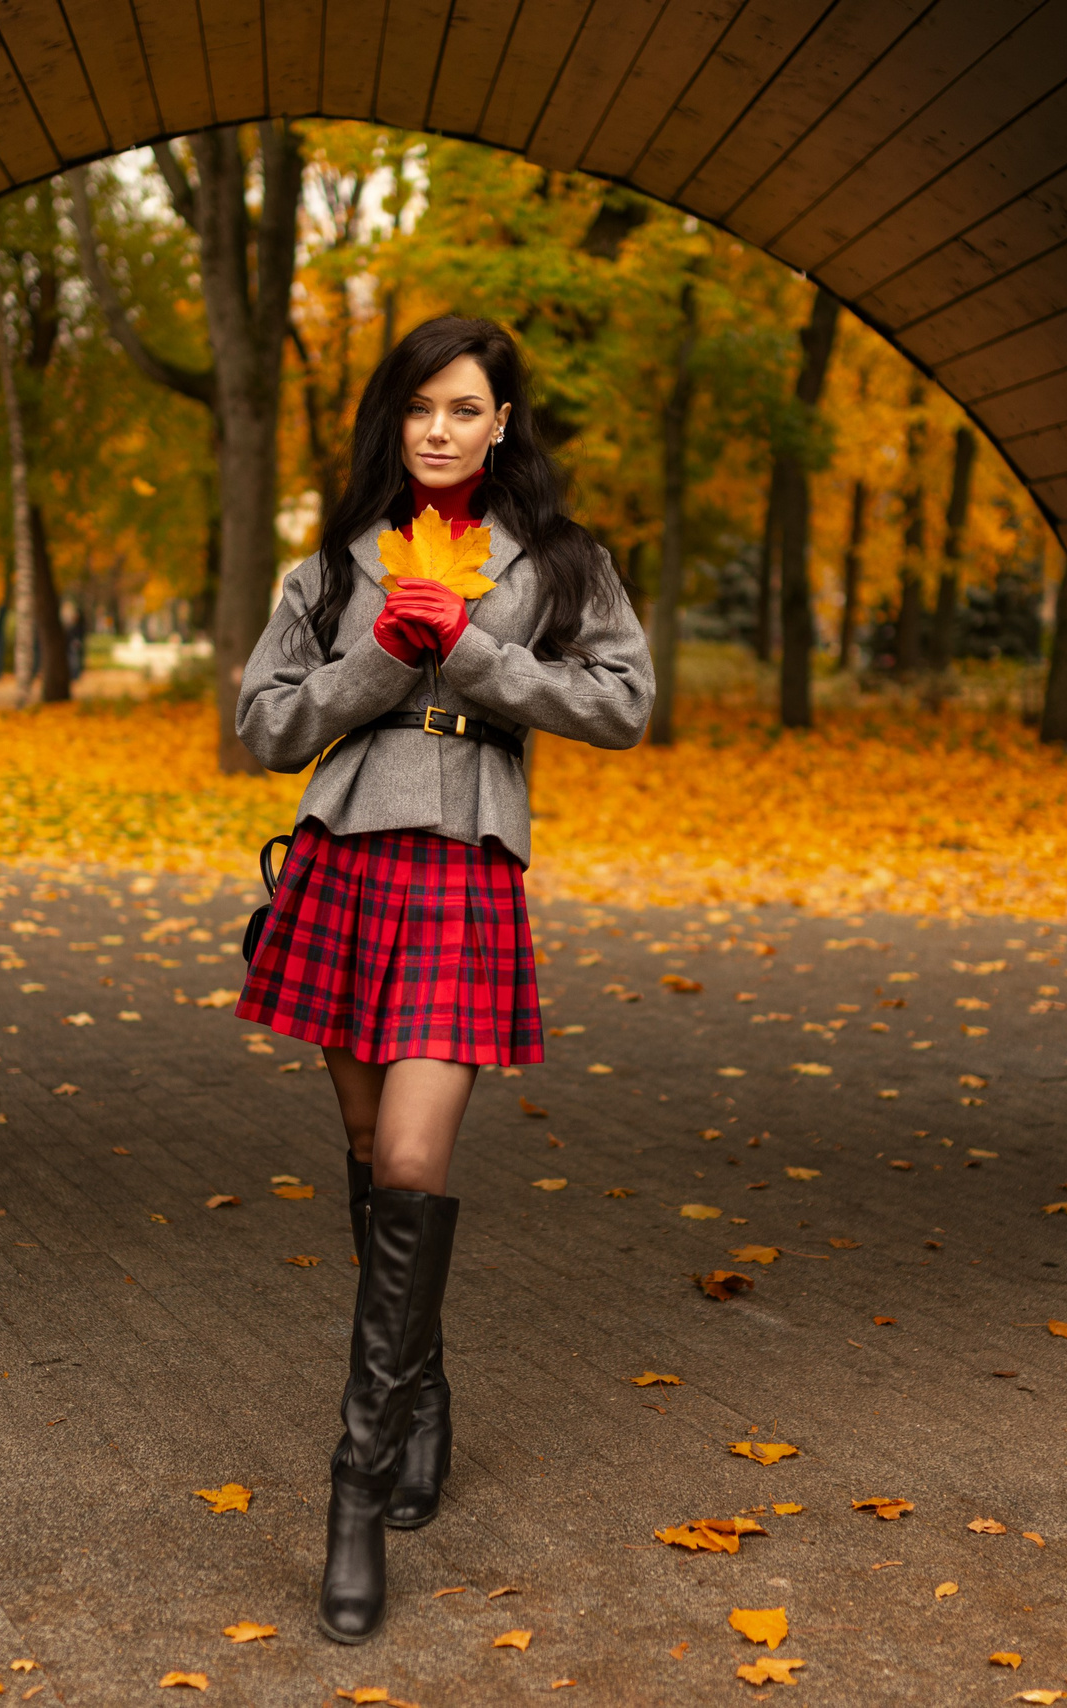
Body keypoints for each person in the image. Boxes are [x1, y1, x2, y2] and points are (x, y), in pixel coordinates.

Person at [233, 317, 653, 1644]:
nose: (439, 430)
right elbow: (261, 723)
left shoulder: (564, 564)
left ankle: (352, 1495)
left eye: (465, 408)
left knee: (413, 1161)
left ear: (503, 422)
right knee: (365, 1146)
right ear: (392, 420)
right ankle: (417, 1388)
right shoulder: (330, 561)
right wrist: (377, 658)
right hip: (345, 867)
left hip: (464, 877)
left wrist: (472, 656)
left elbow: (625, 703)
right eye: (419, 407)